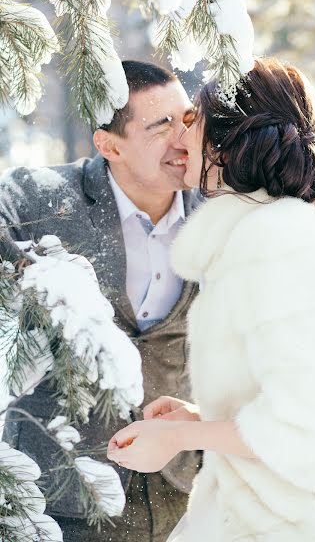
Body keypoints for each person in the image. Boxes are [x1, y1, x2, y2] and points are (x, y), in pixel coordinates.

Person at [108, 57, 315, 541]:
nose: (178, 138)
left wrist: (178, 438)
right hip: (276, 506)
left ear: (227, 140)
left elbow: (306, 435)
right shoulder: (252, 239)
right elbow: (301, 401)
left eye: (190, 120)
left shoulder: (278, 244)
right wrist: (201, 416)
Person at [0, 60, 202, 542]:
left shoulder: (218, 212)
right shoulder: (41, 199)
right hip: (63, 493)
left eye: (188, 120)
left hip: (183, 494)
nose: (183, 139)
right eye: (161, 126)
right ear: (110, 146)